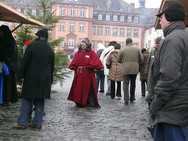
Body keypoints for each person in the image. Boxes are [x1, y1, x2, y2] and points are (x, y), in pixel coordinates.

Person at [148, 1, 188, 140]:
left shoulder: (172, 39)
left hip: (172, 111)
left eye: (162, 18)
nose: (160, 22)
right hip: (180, 110)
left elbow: (169, 78)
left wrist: (155, 104)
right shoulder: (183, 37)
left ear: (169, 19)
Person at [13, 29, 54, 129]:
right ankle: (37, 122)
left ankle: (22, 122)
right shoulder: (50, 49)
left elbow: (25, 62)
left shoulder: (31, 46)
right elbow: (52, 67)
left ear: (37, 36)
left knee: (27, 98)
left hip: (31, 77)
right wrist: (50, 81)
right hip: (45, 79)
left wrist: (20, 75)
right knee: (40, 100)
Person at [68, 38, 103, 108]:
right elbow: (74, 63)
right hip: (79, 74)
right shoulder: (78, 53)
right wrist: (73, 66)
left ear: (87, 44)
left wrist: (88, 65)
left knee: (89, 89)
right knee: (79, 88)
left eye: (84, 42)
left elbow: (98, 63)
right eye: (82, 42)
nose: (82, 44)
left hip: (88, 74)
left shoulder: (91, 52)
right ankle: (79, 102)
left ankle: (90, 102)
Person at [117, 38, 143, 105]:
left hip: (125, 69)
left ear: (126, 42)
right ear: (132, 42)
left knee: (125, 84)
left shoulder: (122, 49)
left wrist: (124, 62)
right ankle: (132, 97)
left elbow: (118, 59)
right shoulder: (137, 49)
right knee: (133, 83)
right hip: (134, 69)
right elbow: (141, 58)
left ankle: (126, 99)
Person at [0, 25, 19, 106]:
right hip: (4, 65)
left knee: (7, 84)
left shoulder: (10, 41)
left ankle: (7, 99)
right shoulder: (3, 40)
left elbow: (11, 54)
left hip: (8, 66)